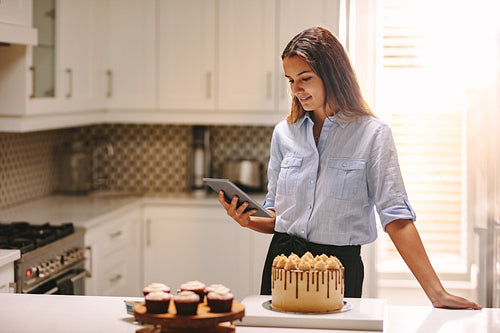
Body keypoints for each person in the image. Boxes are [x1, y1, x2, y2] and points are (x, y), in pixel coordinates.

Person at [217, 26, 481, 309]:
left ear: (332, 74)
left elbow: (396, 218)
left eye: (305, 78)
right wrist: (247, 219)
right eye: (291, 80)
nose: (296, 89)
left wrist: (436, 293)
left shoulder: (373, 135)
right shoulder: (284, 133)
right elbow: (277, 216)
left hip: (339, 269)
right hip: (283, 264)